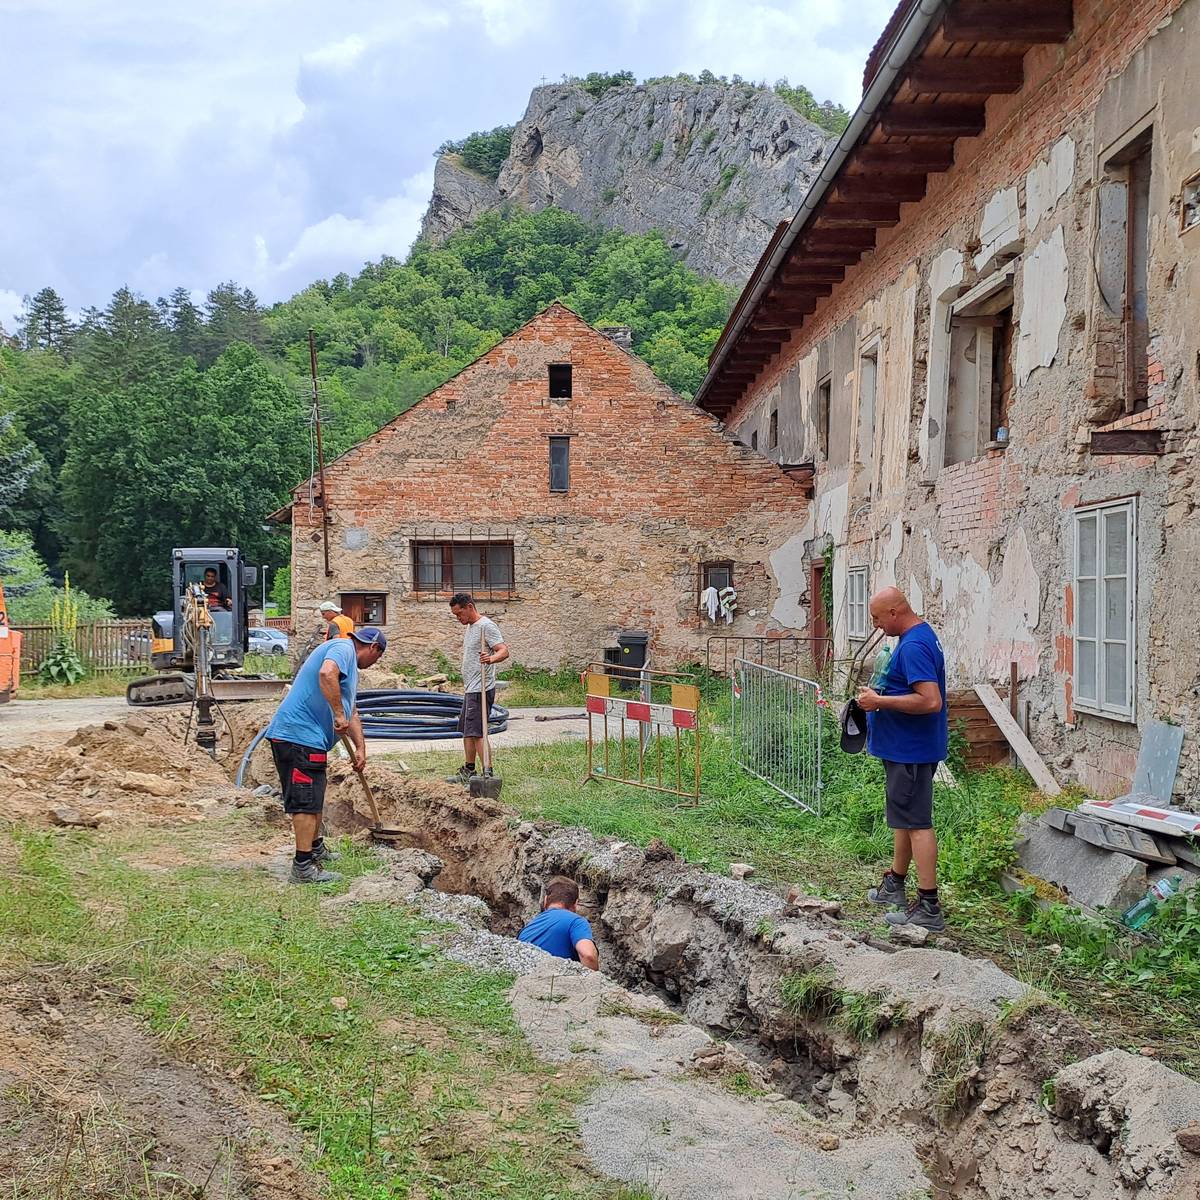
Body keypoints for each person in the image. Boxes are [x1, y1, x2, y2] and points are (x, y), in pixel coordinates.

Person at [855, 586, 948, 932]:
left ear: (895, 613)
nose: (876, 626)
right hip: (904, 748)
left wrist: (880, 702)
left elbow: (930, 701)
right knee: (904, 819)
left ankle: (928, 905)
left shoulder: (914, 646)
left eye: (878, 619)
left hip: (911, 750)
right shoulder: (917, 637)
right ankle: (895, 882)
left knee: (918, 823)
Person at [264, 626, 387, 883]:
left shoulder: (350, 667)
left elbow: (351, 711)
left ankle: (316, 847)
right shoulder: (343, 649)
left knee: (314, 796)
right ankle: (303, 867)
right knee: (305, 801)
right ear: (373, 648)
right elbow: (326, 673)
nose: (375, 664)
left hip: (309, 740)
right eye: (378, 659)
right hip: (297, 736)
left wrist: (361, 748)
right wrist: (338, 715)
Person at [444, 592, 509, 785]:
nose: (458, 618)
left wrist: (490, 659)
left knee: (478, 731)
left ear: (469, 607)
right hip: (471, 688)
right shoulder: (472, 627)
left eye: (459, 614)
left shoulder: (486, 626)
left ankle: (488, 773)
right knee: (467, 730)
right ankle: (469, 770)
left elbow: (503, 650)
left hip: (481, 687)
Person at [517, 877, 600, 970]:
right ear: (575, 904)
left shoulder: (527, 928)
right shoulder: (576, 921)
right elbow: (588, 955)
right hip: (554, 981)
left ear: (545, 900)